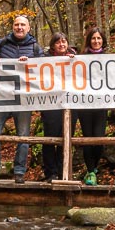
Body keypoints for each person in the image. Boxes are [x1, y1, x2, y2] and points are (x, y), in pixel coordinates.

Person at [0, 15, 43, 183]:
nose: (19, 27)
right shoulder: (1, 44)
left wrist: (31, 62)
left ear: (29, 27)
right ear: (12, 26)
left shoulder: (35, 47)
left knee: (22, 136)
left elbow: (45, 68)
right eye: (16, 24)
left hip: (23, 99)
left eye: (23, 24)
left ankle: (19, 172)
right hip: (0, 97)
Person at [75, 26, 108, 185]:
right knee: (87, 137)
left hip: (101, 104)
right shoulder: (80, 58)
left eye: (99, 38)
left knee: (99, 138)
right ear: (89, 40)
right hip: (85, 104)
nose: (96, 41)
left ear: (103, 40)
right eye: (93, 38)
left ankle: (94, 167)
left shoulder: (110, 59)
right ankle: (90, 172)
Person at [41, 32, 75, 182]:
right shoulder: (44, 60)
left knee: (67, 137)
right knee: (50, 138)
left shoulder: (76, 58)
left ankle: (63, 171)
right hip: (51, 103)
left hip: (71, 102)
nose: (61, 45)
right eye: (58, 42)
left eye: (64, 42)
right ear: (53, 45)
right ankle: (50, 172)